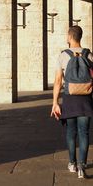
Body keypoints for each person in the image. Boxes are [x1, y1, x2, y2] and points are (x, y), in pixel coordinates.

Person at [51, 25, 93, 179]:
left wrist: (55, 102)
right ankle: (82, 165)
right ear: (80, 37)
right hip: (86, 100)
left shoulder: (63, 56)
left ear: (69, 37)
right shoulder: (89, 55)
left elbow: (57, 81)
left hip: (69, 99)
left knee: (71, 132)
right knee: (84, 132)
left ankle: (72, 163)